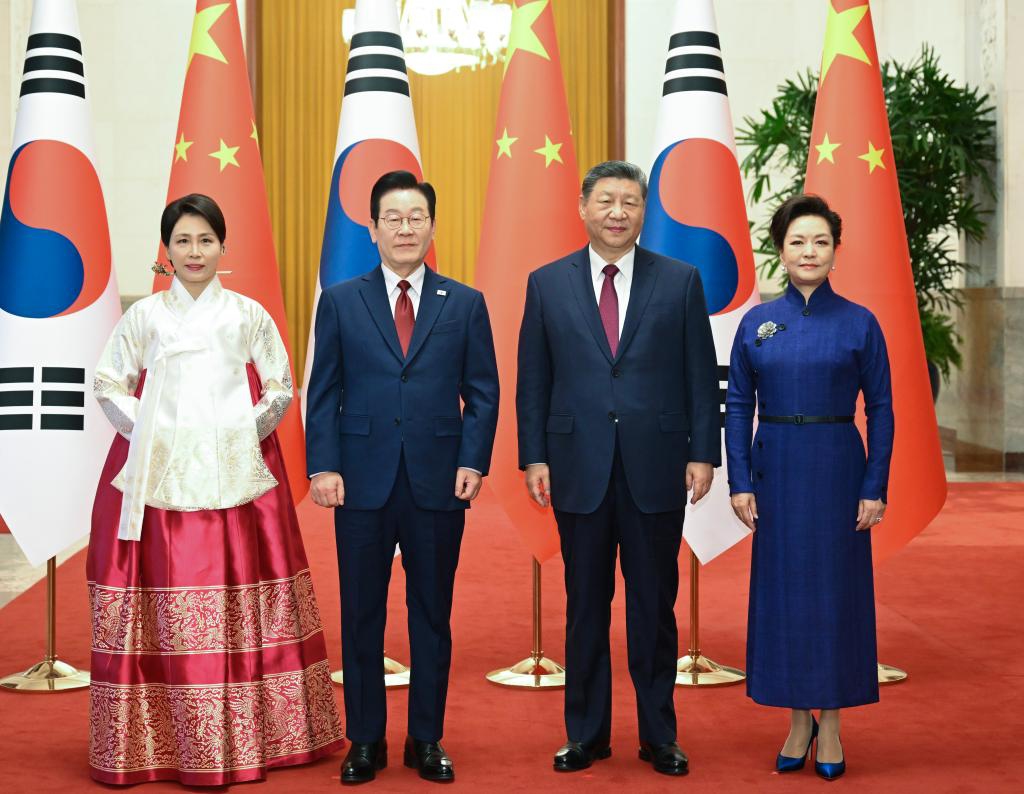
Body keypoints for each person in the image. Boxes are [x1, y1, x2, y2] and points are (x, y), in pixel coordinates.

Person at [87, 194, 344, 786]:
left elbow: (279, 387)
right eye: (182, 240)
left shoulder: (247, 315)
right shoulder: (145, 317)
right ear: (167, 250)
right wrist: (155, 432)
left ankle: (260, 737)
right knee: (161, 598)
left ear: (223, 247)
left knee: (242, 596)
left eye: (205, 240)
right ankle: (158, 744)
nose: (194, 252)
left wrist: (227, 439)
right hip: (159, 479)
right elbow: (107, 382)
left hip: (236, 481)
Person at [516, 160, 721, 777]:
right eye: (606, 201)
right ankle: (587, 733)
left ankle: (660, 734)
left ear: (643, 211)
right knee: (585, 607)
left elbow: (699, 376)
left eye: (629, 202)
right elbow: (534, 380)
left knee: (654, 608)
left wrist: (702, 451)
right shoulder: (546, 283)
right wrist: (534, 455)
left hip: (656, 467)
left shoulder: (680, 281)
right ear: (583, 207)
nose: (617, 213)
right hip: (577, 467)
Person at [304, 170, 499, 784]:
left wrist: (472, 461)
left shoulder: (464, 303)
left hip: (439, 483)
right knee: (361, 615)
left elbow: (484, 393)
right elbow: (324, 390)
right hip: (359, 483)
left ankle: (425, 738)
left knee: (431, 616)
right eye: (394, 217)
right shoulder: (340, 299)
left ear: (432, 226)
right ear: (372, 228)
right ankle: (365, 741)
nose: (406, 228)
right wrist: (324, 465)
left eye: (417, 217)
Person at [724, 194, 894, 781]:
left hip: (838, 468)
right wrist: (740, 481)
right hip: (775, 471)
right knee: (786, 596)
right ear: (780, 249)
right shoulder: (756, 322)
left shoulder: (859, 322)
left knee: (837, 596)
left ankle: (834, 727)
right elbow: (738, 405)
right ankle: (798, 719)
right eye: (798, 241)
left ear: (835, 250)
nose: (809, 251)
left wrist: (875, 485)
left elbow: (883, 408)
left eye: (820, 241)